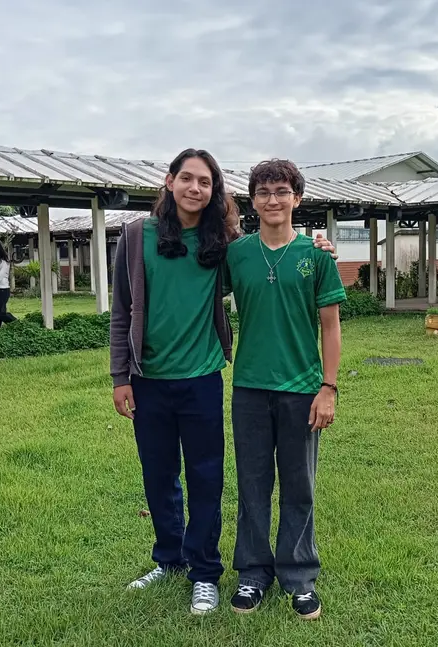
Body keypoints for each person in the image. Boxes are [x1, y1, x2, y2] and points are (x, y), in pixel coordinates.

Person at [109, 148, 336, 616]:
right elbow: (121, 312)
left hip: (222, 380)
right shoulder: (159, 241)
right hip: (180, 381)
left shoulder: (231, 244)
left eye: (205, 181)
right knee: (184, 478)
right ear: (169, 181)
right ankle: (197, 564)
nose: (195, 188)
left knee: (235, 479)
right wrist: (120, 375)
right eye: (187, 178)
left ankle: (243, 573)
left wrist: (320, 247)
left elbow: (313, 305)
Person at [224, 159, 345, 620]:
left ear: (297, 198)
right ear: (253, 201)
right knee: (252, 485)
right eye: (263, 192)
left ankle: (298, 576)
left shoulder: (316, 256)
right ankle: (253, 573)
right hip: (250, 388)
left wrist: (328, 387)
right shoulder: (238, 255)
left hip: (302, 389)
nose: (272, 200)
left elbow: (330, 327)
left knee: (299, 486)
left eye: (281, 191)